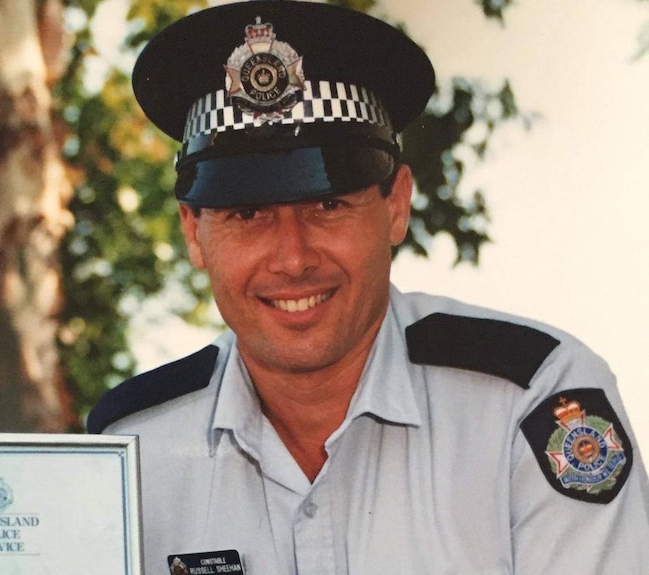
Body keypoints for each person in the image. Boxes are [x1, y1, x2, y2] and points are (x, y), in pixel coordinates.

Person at [87, 2, 649, 573]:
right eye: (248, 213)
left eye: (329, 205)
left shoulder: (528, 405)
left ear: (397, 206)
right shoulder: (131, 449)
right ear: (194, 233)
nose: (293, 257)